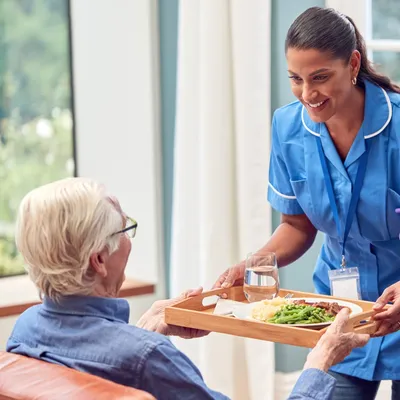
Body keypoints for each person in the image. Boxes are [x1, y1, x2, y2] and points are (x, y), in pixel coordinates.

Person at [6, 177, 368, 399]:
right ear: (99, 260)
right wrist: (318, 362)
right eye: (123, 230)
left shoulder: (26, 328)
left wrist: (142, 330)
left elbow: (92, 373)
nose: (129, 239)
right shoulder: (147, 357)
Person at [214, 6, 400, 400]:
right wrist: (252, 264)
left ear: (352, 64)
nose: (308, 94)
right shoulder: (287, 126)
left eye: (320, 78)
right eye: (296, 80)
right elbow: (297, 225)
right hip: (341, 312)